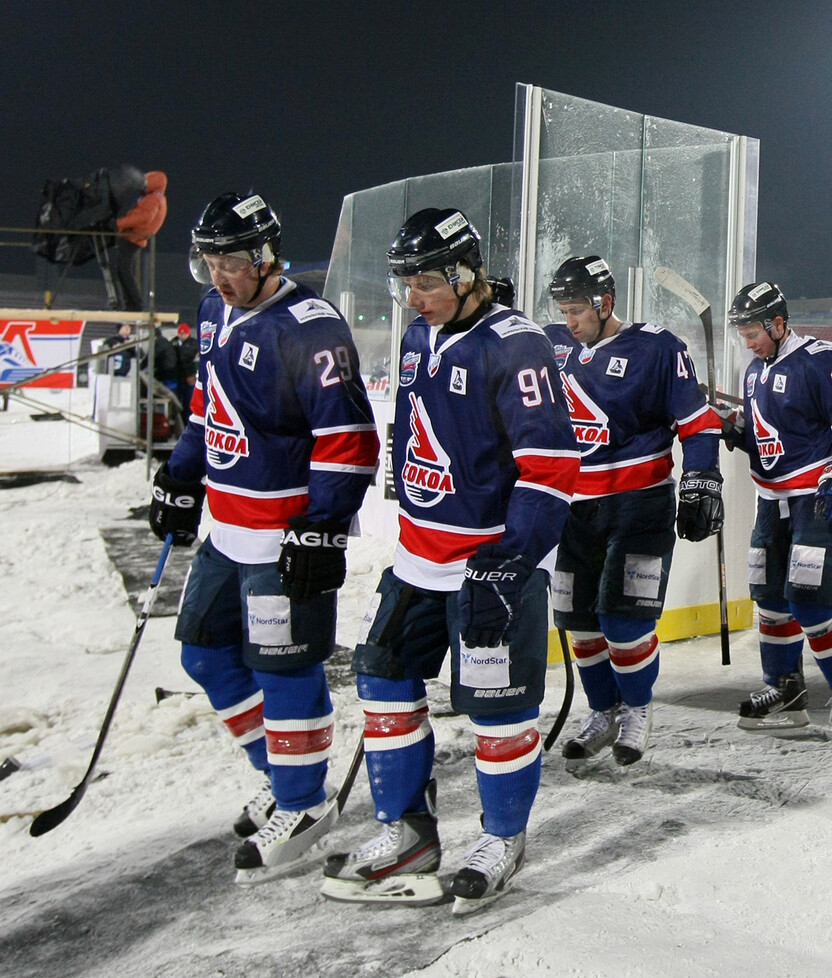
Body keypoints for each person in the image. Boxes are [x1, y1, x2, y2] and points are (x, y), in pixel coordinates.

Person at [321, 209, 578, 911]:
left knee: (498, 710)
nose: (414, 296)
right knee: (382, 683)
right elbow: (413, 426)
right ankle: (407, 832)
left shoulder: (516, 344)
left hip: (489, 565)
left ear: (466, 275)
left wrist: (512, 560)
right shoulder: (416, 335)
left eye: (428, 281)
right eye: (405, 281)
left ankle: (502, 838)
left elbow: (552, 466)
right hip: (417, 561)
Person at [148, 193, 379, 882]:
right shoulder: (212, 310)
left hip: (283, 536)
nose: (220, 276)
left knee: (284, 670)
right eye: (209, 262)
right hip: (227, 530)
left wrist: (322, 526)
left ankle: (304, 803)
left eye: (232, 262)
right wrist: (180, 475)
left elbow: (349, 438)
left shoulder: (311, 328)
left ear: (266, 256)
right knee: (203, 654)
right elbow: (206, 407)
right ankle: (282, 775)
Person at [542, 255, 722, 766]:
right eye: (563, 310)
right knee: (579, 621)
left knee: (623, 622)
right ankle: (603, 710)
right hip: (574, 511)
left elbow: (698, 422)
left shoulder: (658, 348)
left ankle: (637, 709)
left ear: (605, 302)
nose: (569, 320)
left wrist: (701, 477)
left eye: (577, 310)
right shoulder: (550, 346)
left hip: (639, 505)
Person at [720, 281, 832, 738]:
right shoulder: (754, 372)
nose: (749, 343)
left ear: (778, 323)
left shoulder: (819, 359)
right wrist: (737, 431)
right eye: (743, 335)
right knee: (769, 599)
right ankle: (785, 687)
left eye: (753, 333)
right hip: (772, 502)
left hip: (819, 499)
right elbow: (769, 439)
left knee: (812, 602)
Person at [111, 169, 167, 311]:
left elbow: (143, 218)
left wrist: (118, 224)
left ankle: (134, 304)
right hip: (133, 237)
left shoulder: (153, 199)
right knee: (122, 269)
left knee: (123, 269)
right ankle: (131, 303)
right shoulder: (155, 198)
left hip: (132, 237)